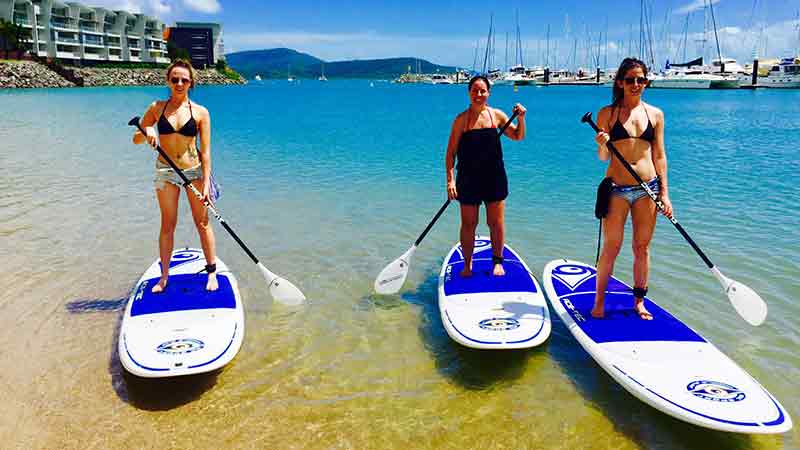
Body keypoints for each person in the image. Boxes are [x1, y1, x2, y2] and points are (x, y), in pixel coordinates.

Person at [592, 57, 673, 320]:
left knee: (642, 247)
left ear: (646, 82)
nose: (636, 84)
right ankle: (599, 302)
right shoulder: (607, 113)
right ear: (620, 83)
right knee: (612, 247)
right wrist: (603, 143)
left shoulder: (656, 114)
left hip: (647, 189)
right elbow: (603, 157)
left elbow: (660, 155)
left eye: (641, 80)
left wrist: (665, 193)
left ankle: (639, 302)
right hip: (616, 189)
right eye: (630, 80)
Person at [132, 59, 218, 293]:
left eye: (184, 80)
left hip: (194, 171)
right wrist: (147, 130)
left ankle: (212, 273)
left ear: (191, 83)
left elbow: (206, 151)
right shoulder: (156, 107)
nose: (179, 83)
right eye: (175, 79)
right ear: (168, 81)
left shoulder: (201, 112)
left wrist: (208, 183)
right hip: (166, 171)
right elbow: (136, 138)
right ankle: (164, 277)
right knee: (167, 224)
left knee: (202, 222)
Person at [445, 75, 526, 277]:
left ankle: (498, 261)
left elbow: (517, 136)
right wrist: (450, 180)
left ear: (488, 93)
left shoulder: (496, 115)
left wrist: (521, 118)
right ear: (469, 92)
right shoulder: (461, 120)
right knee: (468, 224)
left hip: (494, 177)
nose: (478, 94)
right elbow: (450, 153)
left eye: (483, 91)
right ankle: (467, 263)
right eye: (475, 90)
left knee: (495, 223)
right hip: (468, 179)